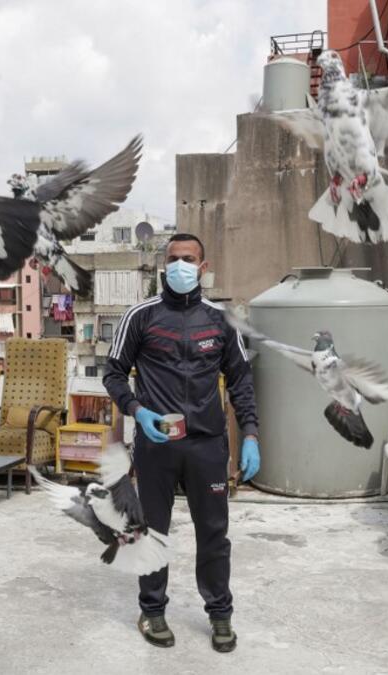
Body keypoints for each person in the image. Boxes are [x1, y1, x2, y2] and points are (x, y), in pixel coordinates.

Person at [103, 233, 259, 653]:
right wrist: (138, 411)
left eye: (189, 259)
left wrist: (251, 437)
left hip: (207, 446)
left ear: (203, 268)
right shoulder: (141, 317)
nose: (180, 265)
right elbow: (113, 374)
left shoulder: (222, 321)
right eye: (173, 259)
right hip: (157, 444)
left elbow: (241, 381)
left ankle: (221, 615)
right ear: (163, 265)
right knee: (152, 531)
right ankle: (152, 611)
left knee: (214, 534)